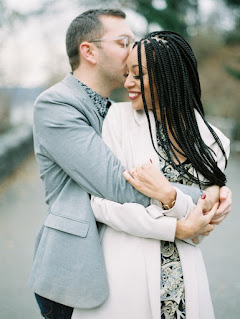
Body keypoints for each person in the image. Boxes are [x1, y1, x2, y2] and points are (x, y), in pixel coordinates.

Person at [29, 9, 232, 319]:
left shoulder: (121, 111)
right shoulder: (57, 104)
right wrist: (199, 199)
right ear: (89, 51)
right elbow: (114, 185)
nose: (133, 50)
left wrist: (213, 185)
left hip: (126, 263)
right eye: (124, 42)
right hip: (75, 271)